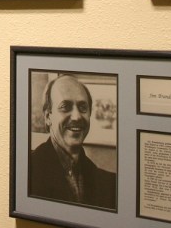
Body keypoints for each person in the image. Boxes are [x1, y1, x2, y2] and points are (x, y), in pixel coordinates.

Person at [29, 74, 117, 210]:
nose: (76, 117)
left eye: (83, 107)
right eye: (65, 107)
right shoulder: (27, 170)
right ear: (48, 117)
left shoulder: (109, 183)